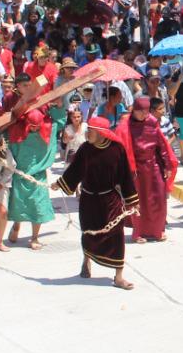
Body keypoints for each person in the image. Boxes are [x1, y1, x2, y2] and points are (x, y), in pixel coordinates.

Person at [55, 114, 140, 289]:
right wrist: (60, 183)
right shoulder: (85, 149)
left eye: (91, 131)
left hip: (110, 200)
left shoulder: (117, 150)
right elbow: (74, 171)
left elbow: (125, 177)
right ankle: (86, 260)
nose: (87, 134)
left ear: (101, 133)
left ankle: (118, 276)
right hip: (88, 200)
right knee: (89, 233)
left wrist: (132, 200)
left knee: (116, 235)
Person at [3, 74, 57, 249]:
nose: (28, 88)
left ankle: (35, 237)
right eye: (24, 85)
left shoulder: (41, 103)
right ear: (17, 86)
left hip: (38, 172)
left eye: (29, 84)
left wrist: (59, 107)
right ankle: (16, 225)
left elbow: (57, 119)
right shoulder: (11, 101)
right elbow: (4, 123)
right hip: (20, 169)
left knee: (38, 204)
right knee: (18, 203)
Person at [117, 96, 179, 243]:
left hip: (154, 165)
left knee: (159, 199)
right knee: (138, 201)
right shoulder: (126, 125)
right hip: (136, 169)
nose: (143, 115)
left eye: (146, 112)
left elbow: (162, 145)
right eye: (140, 112)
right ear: (134, 110)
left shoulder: (152, 122)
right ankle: (138, 233)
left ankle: (158, 231)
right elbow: (121, 148)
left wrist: (167, 165)